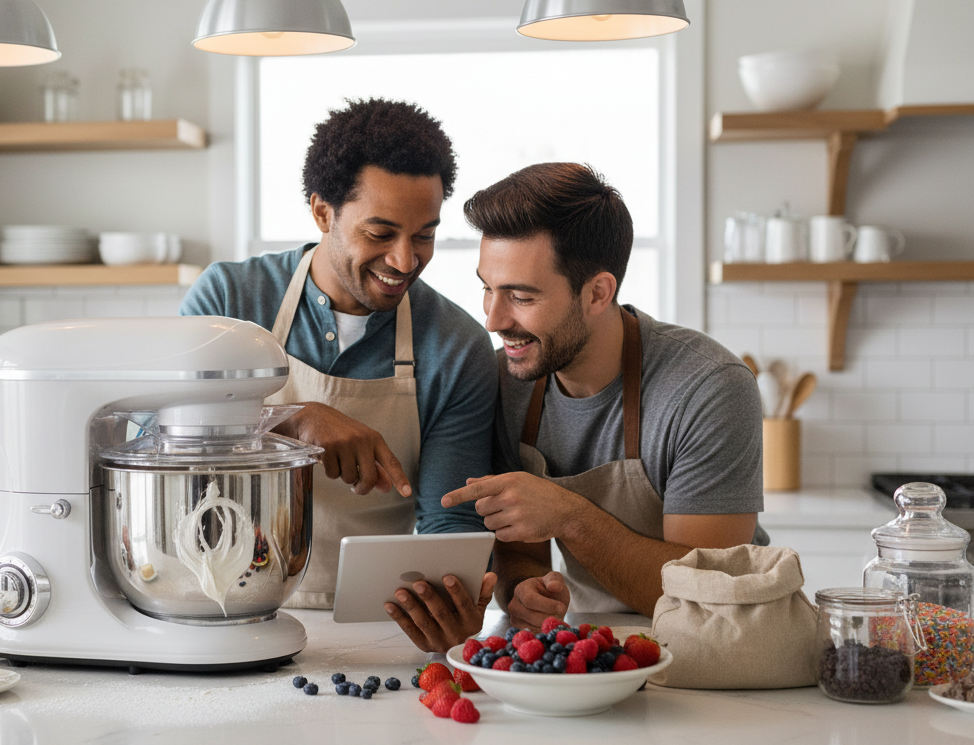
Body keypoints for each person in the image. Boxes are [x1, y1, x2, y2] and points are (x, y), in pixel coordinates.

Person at [387, 162, 764, 653]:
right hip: (598, 646)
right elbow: (519, 551)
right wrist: (522, 590)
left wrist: (570, 517)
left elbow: (706, 597)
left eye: (521, 296)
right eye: (488, 288)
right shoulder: (506, 382)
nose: (494, 319)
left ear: (598, 293)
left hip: (719, 651)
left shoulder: (708, 389)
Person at [179, 97, 498, 610]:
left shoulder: (456, 346)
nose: (405, 260)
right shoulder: (229, 302)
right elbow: (161, 440)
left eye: (425, 235)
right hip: (218, 606)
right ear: (322, 212)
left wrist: (449, 604)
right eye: (380, 233)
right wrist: (292, 420)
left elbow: (447, 522)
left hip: (380, 620)